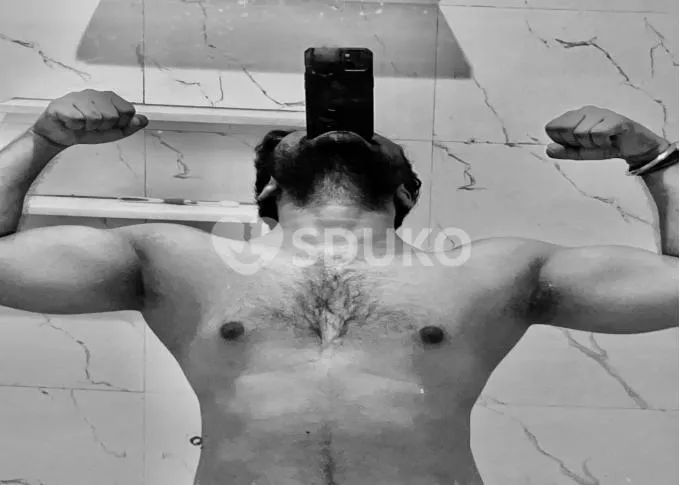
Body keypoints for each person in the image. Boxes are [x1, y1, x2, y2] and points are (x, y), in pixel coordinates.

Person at [0, 89, 676, 485]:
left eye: (364, 133)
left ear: (405, 191)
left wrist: (655, 156)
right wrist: (43, 139)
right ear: (268, 189)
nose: (335, 129)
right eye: (313, 129)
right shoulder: (176, 262)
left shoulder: (495, 273)